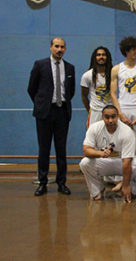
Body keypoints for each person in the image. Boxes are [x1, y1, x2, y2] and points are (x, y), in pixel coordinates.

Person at [28, 36, 75, 196]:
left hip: (62, 112)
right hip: (45, 113)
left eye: (62, 47)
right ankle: (42, 182)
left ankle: (62, 183)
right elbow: (31, 88)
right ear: (50, 47)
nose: (59, 49)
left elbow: (71, 91)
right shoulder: (40, 65)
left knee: (61, 150)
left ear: (65, 49)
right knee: (44, 149)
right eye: (56, 46)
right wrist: (42, 103)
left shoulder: (69, 68)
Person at [80, 103, 136, 201]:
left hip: (121, 162)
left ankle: (131, 187)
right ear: (102, 117)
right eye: (107, 117)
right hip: (103, 162)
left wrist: (125, 185)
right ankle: (97, 190)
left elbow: (127, 161)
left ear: (118, 116)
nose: (110, 120)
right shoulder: (94, 128)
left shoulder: (127, 131)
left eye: (113, 117)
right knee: (85, 163)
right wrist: (100, 154)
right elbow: (86, 150)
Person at [111, 36, 136, 154]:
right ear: (126, 50)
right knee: (122, 142)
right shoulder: (116, 69)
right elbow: (112, 93)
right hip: (123, 108)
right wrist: (120, 113)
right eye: (133, 49)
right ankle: (122, 171)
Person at [81, 45, 115, 125]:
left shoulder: (113, 74)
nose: (101, 57)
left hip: (111, 111)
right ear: (94, 57)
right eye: (98, 55)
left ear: (108, 57)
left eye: (103, 55)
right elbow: (84, 96)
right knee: (94, 136)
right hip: (95, 112)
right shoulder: (87, 75)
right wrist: (90, 109)